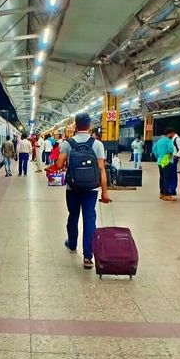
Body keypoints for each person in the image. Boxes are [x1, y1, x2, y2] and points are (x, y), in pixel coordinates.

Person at [56, 113, 110, 270]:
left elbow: (59, 165)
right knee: (89, 219)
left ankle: (72, 244)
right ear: (89, 125)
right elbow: (101, 170)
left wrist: (65, 162)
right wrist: (105, 192)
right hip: (92, 189)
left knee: (73, 216)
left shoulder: (68, 143)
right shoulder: (97, 144)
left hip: (72, 187)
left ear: (75, 125)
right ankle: (88, 257)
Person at [152, 129, 175, 201]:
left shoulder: (159, 141)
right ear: (169, 133)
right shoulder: (168, 141)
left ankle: (161, 193)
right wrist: (168, 154)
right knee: (167, 178)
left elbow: (154, 149)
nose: (173, 135)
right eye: (172, 134)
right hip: (166, 161)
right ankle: (166, 194)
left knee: (162, 177)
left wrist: (158, 156)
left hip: (160, 161)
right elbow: (171, 149)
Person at [166, 128, 180, 196]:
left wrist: (176, 156)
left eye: (168, 134)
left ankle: (172, 189)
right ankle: (171, 189)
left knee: (173, 174)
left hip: (174, 158)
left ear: (172, 133)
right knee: (170, 174)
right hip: (170, 158)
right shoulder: (172, 139)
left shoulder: (177, 139)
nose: (168, 136)